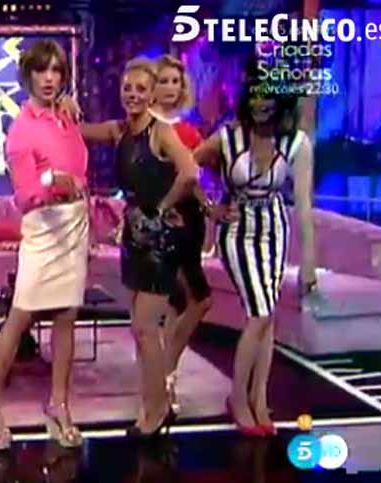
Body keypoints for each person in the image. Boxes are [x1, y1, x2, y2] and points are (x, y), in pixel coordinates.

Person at [76, 58, 199, 438]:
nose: (132, 95)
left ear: (152, 94)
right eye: (127, 88)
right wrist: (62, 107)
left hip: (160, 240)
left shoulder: (161, 132)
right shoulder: (119, 130)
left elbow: (190, 172)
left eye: (140, 89)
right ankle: (152, 403)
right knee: (141, 330)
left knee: (146, 328)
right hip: (134, 237)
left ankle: (158, 408)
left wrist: (162, 209)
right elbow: (80, 129)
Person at [0, 40, 90, 450]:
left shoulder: (67, 116)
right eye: (41, 71)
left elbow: (80, 169)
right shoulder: (22, 129)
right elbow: (25, 195)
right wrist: (52, 182)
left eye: (56, 70)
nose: (49, 78)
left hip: (75, 225)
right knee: (19, 317)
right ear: (27, 76)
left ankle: (58, 404)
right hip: (44, 229)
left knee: (67, 317)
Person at [194, 77, 317, 437]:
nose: (261, 103)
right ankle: (237, 398)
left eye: (268, 97)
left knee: (267, 316)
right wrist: (210, 207)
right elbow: (186, 167)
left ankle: (259, 399)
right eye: (255, 96)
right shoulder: (228, 137)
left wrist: (308, 262)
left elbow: (304, 205)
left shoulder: (296, 143)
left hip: (275, 230)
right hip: (238, 230)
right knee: (260, 313)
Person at [149, 54, 213, 413]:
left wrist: (209, 208)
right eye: (164, 80)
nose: (170, 87)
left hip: (191, 220)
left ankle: (166, 379)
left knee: (180, 304)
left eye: (176, 81)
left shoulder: (189, 131)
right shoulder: (147, 127)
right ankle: (163, 373)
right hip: (165, 219)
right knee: (197, 300)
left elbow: (193, 178)